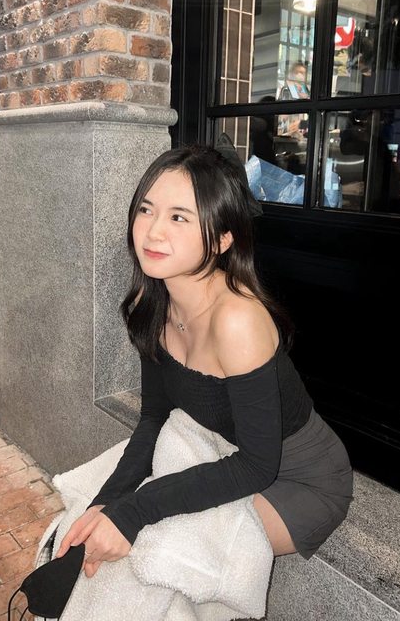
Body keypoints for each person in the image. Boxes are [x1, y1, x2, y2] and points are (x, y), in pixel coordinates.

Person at [55, 145, 353, 578]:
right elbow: (154, 417)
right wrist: (108, 501)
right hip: (229, 454)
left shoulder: (237, 319)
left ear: (222, 238)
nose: (153, 232)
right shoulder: (152, 301)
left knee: (148, 556)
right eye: (146, 210)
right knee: (92, 529)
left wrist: (134, 512)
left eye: (179, 217)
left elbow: (257, 465)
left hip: (301, 479)